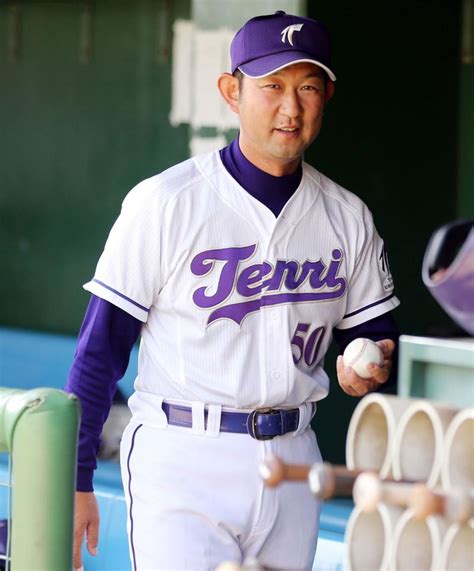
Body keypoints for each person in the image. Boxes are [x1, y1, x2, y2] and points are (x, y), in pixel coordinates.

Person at [67, 11, 400, 571]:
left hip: (294, 456)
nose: (290, 108)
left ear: (327, 96)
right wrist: (75, 479)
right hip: (183, 454)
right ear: (231, 91)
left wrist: (371, 363)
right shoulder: (166, 202)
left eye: (307, 87)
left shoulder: (347, 216)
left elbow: (375, 332)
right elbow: (99, 349)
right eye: (272, 86)